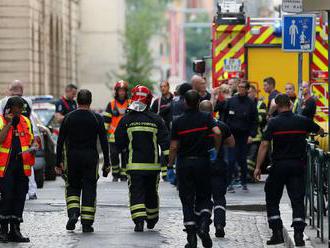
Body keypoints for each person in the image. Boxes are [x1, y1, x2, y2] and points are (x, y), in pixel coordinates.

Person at [254, 94, 324, 246]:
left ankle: (277, 233)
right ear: (291, 104)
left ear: (277, 106)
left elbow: (264, 145)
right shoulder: (302, 121)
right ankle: (299, 235)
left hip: (278, 166)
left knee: (272, 198)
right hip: (298, 165)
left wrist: (258, 167)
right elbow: (320, 131)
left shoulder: (273, 123)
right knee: (297, 200)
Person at [169, 90, 221, 248]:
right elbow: (217, 132)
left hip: (185, 164)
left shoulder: (178, 121)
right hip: (203, 163)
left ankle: (191, 238)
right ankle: (204, 225)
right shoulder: (206, 118)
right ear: (198, 102)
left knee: (187, 199)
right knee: (204, 196)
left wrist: (170, 165)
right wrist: (215, 151)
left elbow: (173, 146)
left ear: (185, 102)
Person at [115, 85, 169, 232]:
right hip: (152, 167)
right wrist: (169, 163)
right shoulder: (156, 119)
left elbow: (118, 142)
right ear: (149, 100)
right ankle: (151, 219)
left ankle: (139, 222)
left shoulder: (126, 120)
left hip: (134, 166)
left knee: (136, 193)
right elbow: (165, 142)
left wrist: (117, 157)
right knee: (151, 193)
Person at [56, 89, 110, 233]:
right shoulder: (97, 118)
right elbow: (104, 142)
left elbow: (60, 141)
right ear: (90, 101)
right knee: (89, 189)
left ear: (77, 101)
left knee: (73, 187)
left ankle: (73, 213)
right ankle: (87, 223)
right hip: (90, 159)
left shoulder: (68, 117)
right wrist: (107, 163)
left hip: (72, 158)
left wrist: (58, 162)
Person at [0, 97, 36, 243]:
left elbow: (31, 139)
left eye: (22, 108)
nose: (20, 111)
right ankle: (3, 230)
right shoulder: (2, 120)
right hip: (6, 167)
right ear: (9, 108)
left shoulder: (25, 121)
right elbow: (0, 139)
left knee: (20, 197)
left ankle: (15, 230)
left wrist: (34, 146)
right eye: (17, 108)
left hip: (22, 166)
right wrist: (9, 123)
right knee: (7, 197)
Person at [199, 100, 235, 239]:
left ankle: (203, 224)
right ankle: (219, 225)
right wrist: (218, 145)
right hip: (218, 165)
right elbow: (232, 143)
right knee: (219, 197)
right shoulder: (222, 125)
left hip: (201, 167)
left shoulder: (197, 126)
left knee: (204, 198)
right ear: (213, 110)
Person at [0, 81, 38, 200]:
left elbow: (2, 118)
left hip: (18, 150)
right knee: (26, 168)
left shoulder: (5, 102)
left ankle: (28, 192)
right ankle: (31, 191)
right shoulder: (27, 102)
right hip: (15, 150)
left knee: (21, 174)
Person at [223, 81, 257, 192]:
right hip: (232, 135)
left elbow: (254, 120)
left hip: (244, 136)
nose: (240, 89)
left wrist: (252, 135)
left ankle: (243, 182)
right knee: (231, 160)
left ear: (247, 90)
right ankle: (229, 184)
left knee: (242, 160)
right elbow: (224, 117)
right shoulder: (231, 101)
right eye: (239, 87)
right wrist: (225, 133)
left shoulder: (251, 104)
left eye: (243, 87)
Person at [104, 81, 130, 182]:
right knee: (114, 155)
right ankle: (115, 173)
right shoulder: (111, 104)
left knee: (125, 155)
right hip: (113, 136)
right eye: (120, 90)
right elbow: (106, 121)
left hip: (126, 136)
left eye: (123, 90)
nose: (122, 92)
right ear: (116, 91)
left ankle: (124, 174)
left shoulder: (130, 103)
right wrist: (103, 133)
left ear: (126, 91)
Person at [151, 81, 173, 180]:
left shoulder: (175, 99)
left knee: (174, 150)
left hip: (174, 130)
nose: (163, 88)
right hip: (162, 131)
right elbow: (151, 115)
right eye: (161, 87)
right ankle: (165, 174)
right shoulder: (157, 102)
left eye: (164, 86)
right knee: (164, 152)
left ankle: (172, 171)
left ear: (168, 87)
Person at [246, 85, 267, 180]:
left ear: (255, 93)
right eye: (247, 92)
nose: (248, 94)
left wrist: (246, 116)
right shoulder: (243, 103)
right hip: (244, 137)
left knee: (251, 159)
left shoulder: (260, 104)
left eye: (250, 92)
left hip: (256, 136)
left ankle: (249, 175)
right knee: (246, 158)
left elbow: (261, 119)